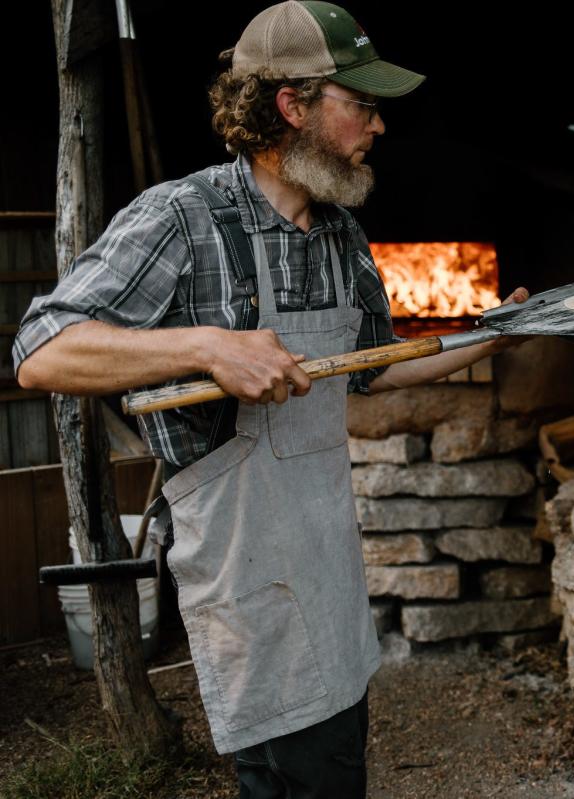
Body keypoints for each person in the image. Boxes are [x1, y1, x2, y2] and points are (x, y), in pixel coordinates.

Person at [13, 3, 526, 796]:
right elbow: (41, 350)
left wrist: (490, 337)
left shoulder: (341, 234)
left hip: (328, 559)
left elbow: (370, 369)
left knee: (330, 762)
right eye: (360, 105)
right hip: (247, 567)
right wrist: (206, 344)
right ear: (292, 106)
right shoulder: (183, 218)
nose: (378, 126)